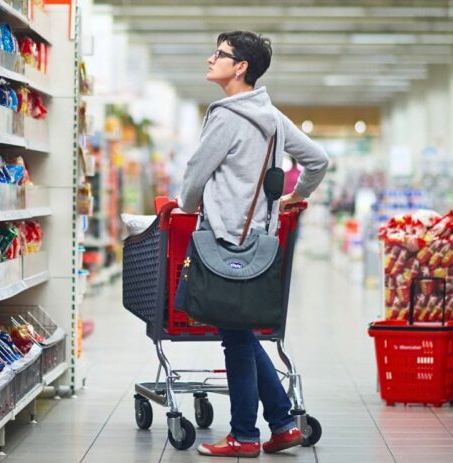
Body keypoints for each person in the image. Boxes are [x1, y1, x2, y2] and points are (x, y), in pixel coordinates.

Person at [177, 31, 329, 458]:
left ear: (240, 66)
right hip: (259, 243)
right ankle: (280, 424)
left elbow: (195, 174)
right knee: (241, 332)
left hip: (224, 241)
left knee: (236, 339)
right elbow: (318, 161)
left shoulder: (225, 115)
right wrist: (294, 199)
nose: (211, 58)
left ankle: (244, 436)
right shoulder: (271, 117)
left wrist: (187, 206)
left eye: (220, 54)